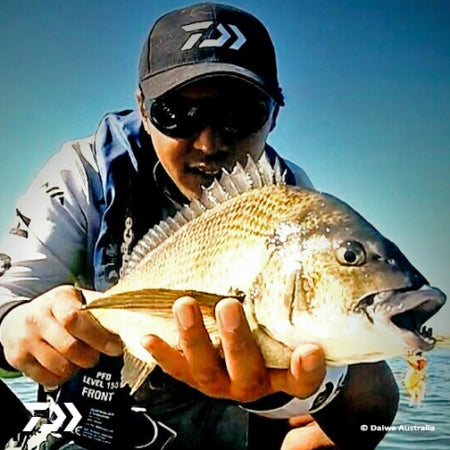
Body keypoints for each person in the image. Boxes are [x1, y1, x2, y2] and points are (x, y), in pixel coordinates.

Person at [0, 3, 398, 449]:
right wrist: (15, 325)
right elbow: (7, 300)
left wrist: (289, 391)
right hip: (95, 419)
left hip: (233, 415)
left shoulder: (290, 199)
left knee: (372, 399)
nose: (209, 143)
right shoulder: (87, 173)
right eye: (176, 113)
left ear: (274, 115)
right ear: (143, 108)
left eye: (242, 113)